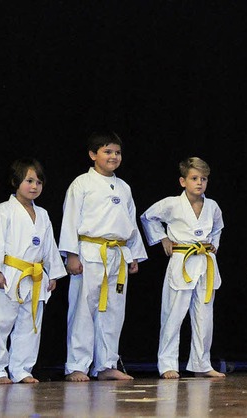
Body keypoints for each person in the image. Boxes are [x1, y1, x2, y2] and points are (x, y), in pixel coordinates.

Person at [59, 131, 147, 381]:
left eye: (117, 152)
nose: (113, 156)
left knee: (113, 311)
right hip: (89, 252)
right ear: (92, 154)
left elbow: (130, 222)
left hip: (117, 253)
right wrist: (71, 255)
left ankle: (106, 364)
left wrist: (133, 256)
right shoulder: (81, 184)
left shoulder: (124, 187)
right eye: (107, 151)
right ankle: (77, 365)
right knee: (83, 310)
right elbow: (70, 219)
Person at [141, 157, 225, 379]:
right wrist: (163, 239)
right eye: (194, 178)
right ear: (182, 181)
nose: (199, 183)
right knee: (173, 315)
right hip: (182, 260)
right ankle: (168, 363)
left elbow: (218, 227)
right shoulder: (171, 204)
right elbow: (148, 217)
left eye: (204, 179)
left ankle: (201, 363)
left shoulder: (213, 206)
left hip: (205, 261)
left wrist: (213, 245)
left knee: (205, 316)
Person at [0, 159, 66, 384]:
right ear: (15, 182)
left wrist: (52, 272)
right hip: (10, 272)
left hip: (35, 275)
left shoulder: (43, 214)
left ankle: (22, 369)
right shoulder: (3, 211)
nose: (34, 186)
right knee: (1, 322)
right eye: (29, 181)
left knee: (30, 325)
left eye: (38, 181)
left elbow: (49, 245)